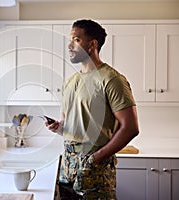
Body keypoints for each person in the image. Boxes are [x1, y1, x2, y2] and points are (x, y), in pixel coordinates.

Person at [47, 19, 139, 199]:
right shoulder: (70, 82)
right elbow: (71, 124)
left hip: (95, 171)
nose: (69, 45)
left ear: (92, 44)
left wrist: (95, 158)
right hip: (67, 169)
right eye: (70, 40)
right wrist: (59, 127)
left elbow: (130, 128)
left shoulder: (112, 80)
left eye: (76, 40)